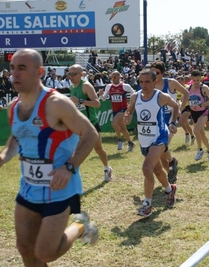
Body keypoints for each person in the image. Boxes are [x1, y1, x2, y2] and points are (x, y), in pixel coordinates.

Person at [0, 49, 99, 266]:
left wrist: (69, 166)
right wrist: (3, 156)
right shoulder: (13, 107)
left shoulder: (56, 103)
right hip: (28, 188)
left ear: (39, 72)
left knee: (45, 253)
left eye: (22, 68)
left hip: (59, 188)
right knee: (25, 249)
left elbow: (90, 133)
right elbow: (17, 138)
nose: (14, 74)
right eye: (12, 68)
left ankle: (80, 226)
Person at [124, 68, 179, 217]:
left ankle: (147, 205)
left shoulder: (161, 96)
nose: (144, 85)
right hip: (144, 140)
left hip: (159, 137)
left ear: (155, 82)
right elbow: (129, 111)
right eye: (141, 82)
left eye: (147, 81)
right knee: (157, 170)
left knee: (147, 168)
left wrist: (173, 122)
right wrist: (127, 116)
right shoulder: (135, 97)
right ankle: (169, 189)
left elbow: (176, 106)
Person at [68, 64, 113, 182]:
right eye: (69, 74)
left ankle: (107, 168)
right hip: (78, 124)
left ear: (81, 74)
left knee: (98, 149)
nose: (71, 77)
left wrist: (80, 101)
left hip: (91, 124)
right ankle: (71, 173)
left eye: (74, 74)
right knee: (75, 150)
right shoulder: (71, 87)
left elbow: (97, 103)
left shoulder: (86, 86)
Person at [150, 61, 189, 183]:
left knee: (161, 148)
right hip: (157, 121)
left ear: (162, 73)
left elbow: (186, 93)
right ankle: (171, 171)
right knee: (160, 152)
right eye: (152, 72)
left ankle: (172, 164)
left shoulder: (171, 83)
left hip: (170, 120)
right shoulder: (150, 85)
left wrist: (181, 108)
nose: (154, 75)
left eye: (156, 73)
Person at [98, 70, 136, 152]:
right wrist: (100, 95)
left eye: (114, 77)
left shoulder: (125, 86)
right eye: (111, 77)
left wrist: (131, 104)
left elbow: (134, 93)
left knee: (114, 123)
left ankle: (119, 140)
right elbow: (104, 99)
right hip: (115, 110)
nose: (112, 79)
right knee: (123, 129)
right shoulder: (109, 86)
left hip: (123, 109)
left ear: (119, 77)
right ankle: (130, 143)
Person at [189, 70, 209, 161]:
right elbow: (183, 98)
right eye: (194, 80)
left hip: (203, 112)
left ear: (200, 79)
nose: (196, 82)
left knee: (196, 130)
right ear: (191, 79)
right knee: (201, 133)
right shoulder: (189, 88)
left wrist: (201, 105)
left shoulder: (204, 88)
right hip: (194, 113)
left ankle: (200, 149)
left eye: (198, 80)